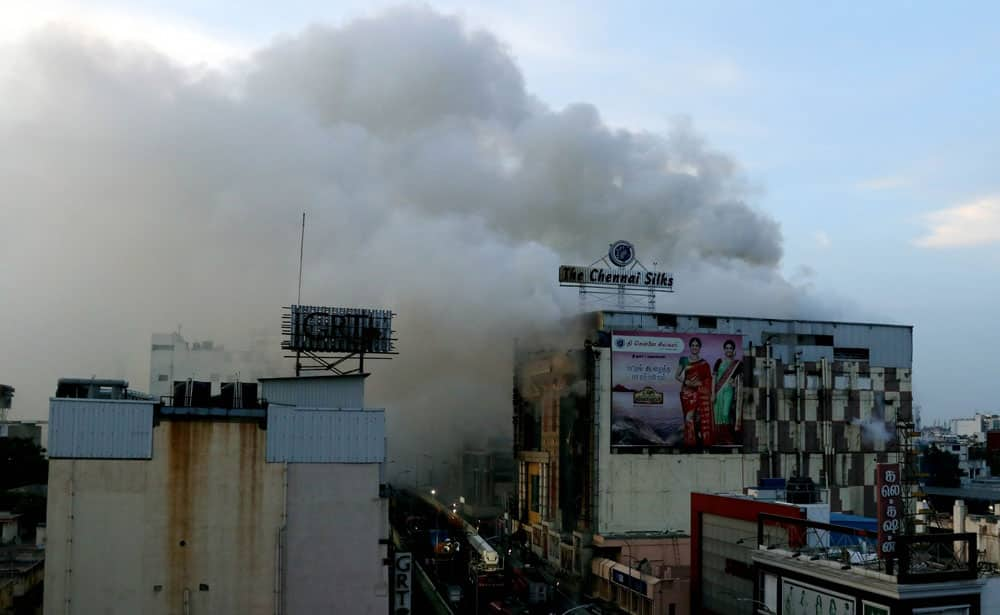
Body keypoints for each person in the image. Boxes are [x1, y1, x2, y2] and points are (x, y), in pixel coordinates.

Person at [676, 337, 713, 447]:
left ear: (700, 348)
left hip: (698, 393)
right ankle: (690, 441)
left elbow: (708, 379)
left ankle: (692, 442)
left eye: (697, 345)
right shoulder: (684, 360)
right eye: (693, 345)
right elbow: (676, 376)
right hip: (686, 393)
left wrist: (701, 384)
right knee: (688, 417)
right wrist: (686, 381)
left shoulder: (704, 363)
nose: (695, 347)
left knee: (693, 417)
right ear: (690, 347)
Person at [713, 339, 743, 444]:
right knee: (717, 415)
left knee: (725, 414)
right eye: (727, 348)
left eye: (731, 348)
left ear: (734, 350)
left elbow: (740, 379)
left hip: (729, 391)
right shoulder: (719, 362)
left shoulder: (737, 364)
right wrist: (713, 393)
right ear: (724, 350)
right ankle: (717, 438)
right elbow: (714, 378)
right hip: (718, 391)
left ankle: (727, 437)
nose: (728, 350)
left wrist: (735, 383)